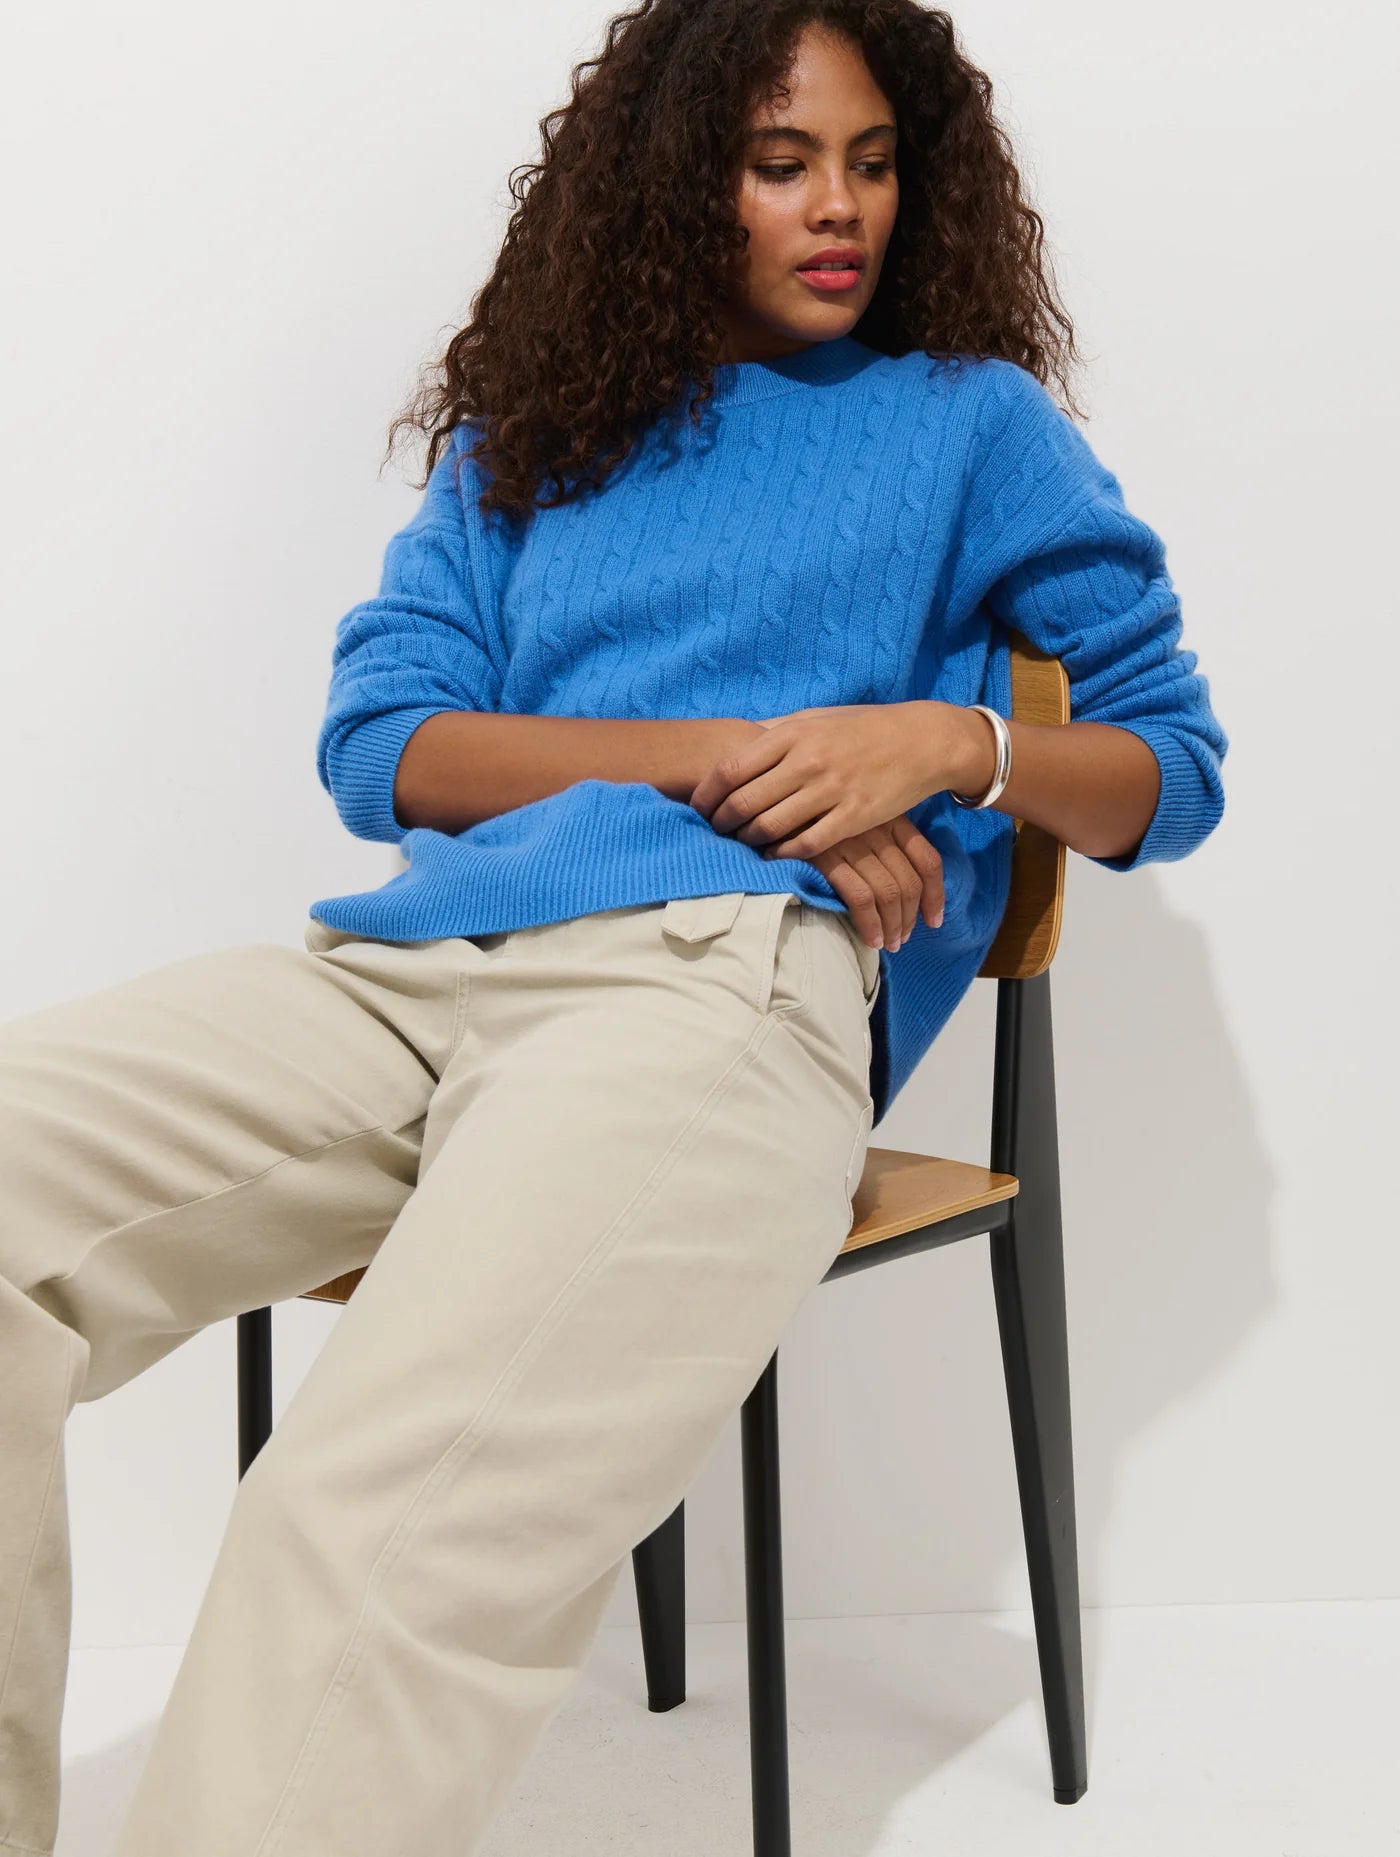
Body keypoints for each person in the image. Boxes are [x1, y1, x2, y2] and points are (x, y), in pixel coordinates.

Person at [0, 4, 1228, 1854]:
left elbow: (1167, 771)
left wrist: (948, 743)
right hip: (415, 973)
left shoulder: (968, 424)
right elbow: (385, 747)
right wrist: (743, 755)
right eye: (781, 163)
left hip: (714, 990)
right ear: (675, 186)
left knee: (373, 1515)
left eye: (873, 162)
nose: (841, 207)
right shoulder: (532, 435)